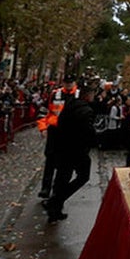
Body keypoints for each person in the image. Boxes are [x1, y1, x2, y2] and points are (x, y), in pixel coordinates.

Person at [45, 81, 97, 223]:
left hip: (63, 148)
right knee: (82, 176)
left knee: (62, 178)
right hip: (76, 150)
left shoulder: (71, 105)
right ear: (88, 95)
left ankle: (55, 209)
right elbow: (87, 131)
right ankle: (56, 201)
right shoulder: (85, 110)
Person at [37, 75, 78, 198]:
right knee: (50, 160)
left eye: (70, 82)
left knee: (65, 163)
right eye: (66, 82)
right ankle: (46, 187)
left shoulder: (80, 96)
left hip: (70, 133)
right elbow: (43, 111)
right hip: (55, 131)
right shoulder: (55, 94)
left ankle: (57, 189)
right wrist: (43, 128)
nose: (68, 85)